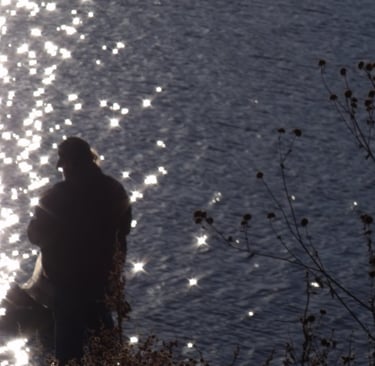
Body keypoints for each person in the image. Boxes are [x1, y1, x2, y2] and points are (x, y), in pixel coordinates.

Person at [27, 136, 132, 365]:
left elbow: (34, 235)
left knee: (68, 351)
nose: (61, 169)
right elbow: (124, 229)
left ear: (72, 164)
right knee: (105, 347)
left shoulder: (56, 196)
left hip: (68, 284)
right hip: (104, 281)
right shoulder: (115, 190)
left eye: (63, 164)